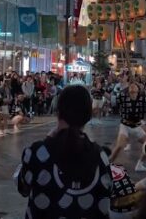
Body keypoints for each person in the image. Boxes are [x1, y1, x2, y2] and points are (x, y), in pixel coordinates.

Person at [16, 85, 111, 218]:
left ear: (58, 112)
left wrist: (47, 140)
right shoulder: (101, 157)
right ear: (88, 116)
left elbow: (23, 188)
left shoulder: (36, 153)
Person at [109, 83, 146, 170]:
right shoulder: (123, 97)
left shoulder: (143, 100)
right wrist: (102, 92)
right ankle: (107, 164)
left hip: (137, 126)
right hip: (125, 125)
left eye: (135, 85)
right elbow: (111, 99)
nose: (132, 86)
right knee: (120, 145)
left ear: (138, 90)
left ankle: (139, 165)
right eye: (131, 86)